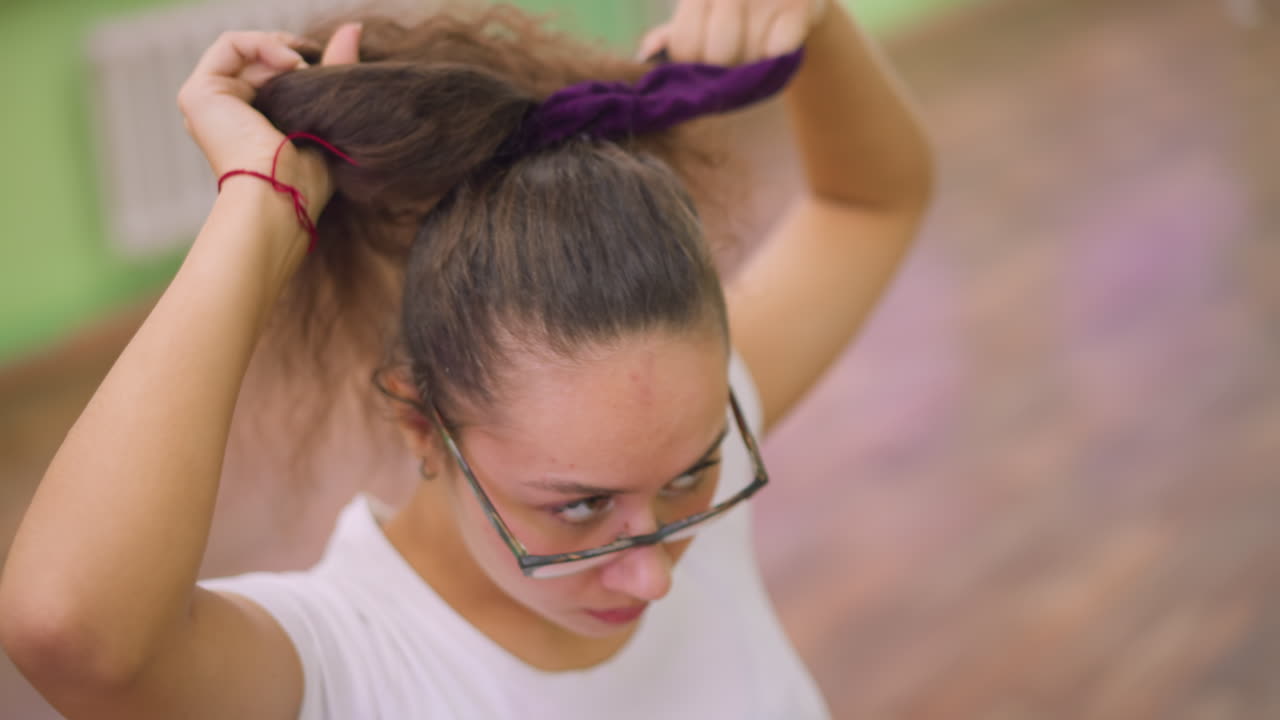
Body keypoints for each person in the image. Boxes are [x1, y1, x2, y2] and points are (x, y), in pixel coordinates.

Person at [0, 0, 932, 717]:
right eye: (576, 506)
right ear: (420, 423)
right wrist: (260, 206)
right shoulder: (347, 663)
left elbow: (873, 199)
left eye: (695, 478)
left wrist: (821, 20)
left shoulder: (668, 437)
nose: (653, 572)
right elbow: (72, 633)